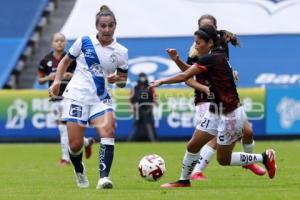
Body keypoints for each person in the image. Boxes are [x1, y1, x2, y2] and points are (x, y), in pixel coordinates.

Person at [150, 26, 276, 188]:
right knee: (193, 145)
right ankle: (183, 181)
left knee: (224, 160)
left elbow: (185, 76)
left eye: (198, 42)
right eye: (195, 42)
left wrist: (161, 81)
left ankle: (265, 157)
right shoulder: (215, 57)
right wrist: (177, 60)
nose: (195, 46)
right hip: (216, 111)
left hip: (230, 114)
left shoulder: (212, 59)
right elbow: (191, 71)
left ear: (210, 43)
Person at [49, 5, 128, 189]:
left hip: (100, 98)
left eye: (110, 25)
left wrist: (117, 79)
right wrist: (56, 82)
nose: (107, 29)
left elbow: (123, 80)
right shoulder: (84, 42)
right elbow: (65, 61)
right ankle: (79, 169)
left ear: (115, 26)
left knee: (108, 131)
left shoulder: (121, 52)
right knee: (75, 145)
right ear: (97, 26)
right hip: (76, 96)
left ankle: (104, 178)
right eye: (103, 26)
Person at [38, 32, 95, 166]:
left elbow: (83, 73)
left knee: (63, 127)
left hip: (70, 96)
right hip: (55, 97)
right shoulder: (45, 60)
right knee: (64, 128)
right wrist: (48, 78)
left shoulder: (71, 58)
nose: (59, 43)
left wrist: (71, 75)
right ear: (52, 43)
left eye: (62, 41)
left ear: (66, 43)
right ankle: (86, 142)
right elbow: (40, 79)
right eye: (57, 40)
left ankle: (66, 158)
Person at [128, 73, 157, 141]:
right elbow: (130, 99)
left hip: (148, 108)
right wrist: (131, 108)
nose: (142, 79)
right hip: (137, 109)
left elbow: (154, 98)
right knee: (136, 124)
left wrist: (151, 108)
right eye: (141, 77)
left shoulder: (150, 88)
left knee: (149, 124)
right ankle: (130, 140)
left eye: (143, 77)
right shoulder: (134, 88)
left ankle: (153, 140)